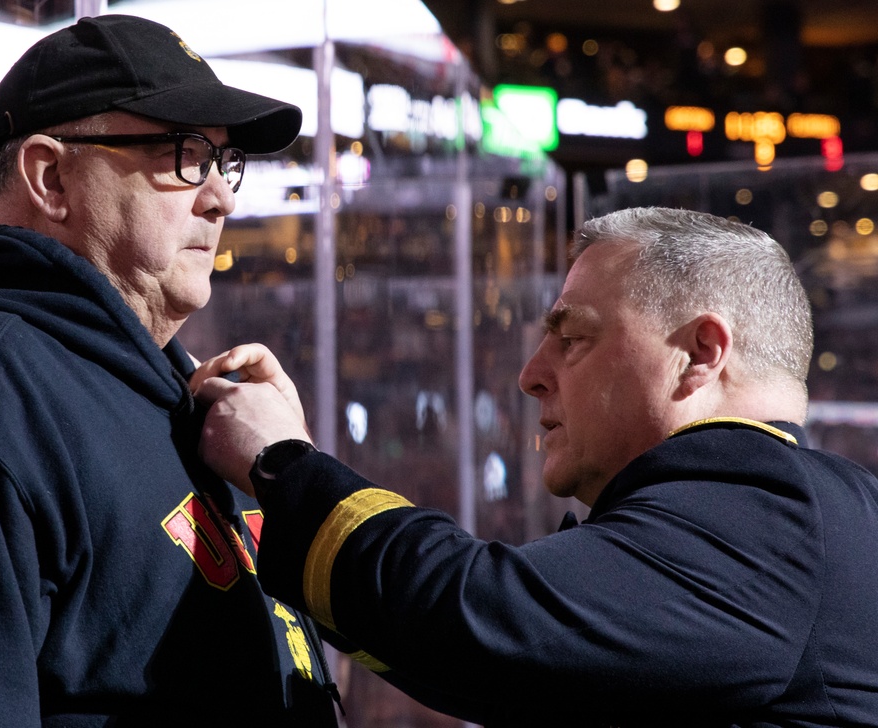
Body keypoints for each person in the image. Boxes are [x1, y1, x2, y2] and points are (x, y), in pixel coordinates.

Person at [193, 206, 878, 727]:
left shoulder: (765, 508)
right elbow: (504, 662)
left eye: (573, 338)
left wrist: (283, 463)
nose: (530, 376)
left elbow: (482, 617)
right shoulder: (815, 510)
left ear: (701, 352)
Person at [0, 14, 342, 727]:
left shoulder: (178, 385)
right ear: (51, 176)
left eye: (225, 161)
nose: (221, 196)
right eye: (184, 153)